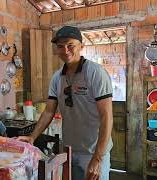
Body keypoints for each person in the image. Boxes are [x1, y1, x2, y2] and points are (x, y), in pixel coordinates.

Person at [17, 26, 113, 180]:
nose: (65, 50)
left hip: (93, 152)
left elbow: (106, 116)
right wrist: (32, 137)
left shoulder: (95, 73)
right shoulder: (57, 78)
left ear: (81, 46)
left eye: (70, 45)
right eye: (60, 46)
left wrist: (98, 158)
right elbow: (49, 111)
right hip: (69, 150)